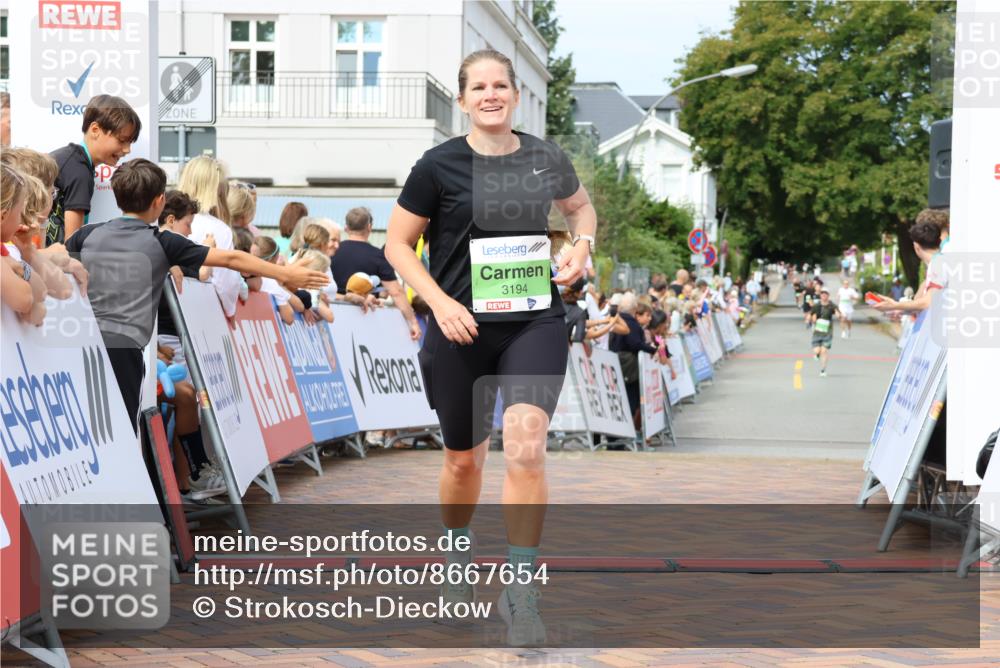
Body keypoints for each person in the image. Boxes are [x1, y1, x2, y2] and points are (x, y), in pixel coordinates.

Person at [383, 49, 596, 646]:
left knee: (526, 449)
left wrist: (582, 245)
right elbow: (397, 246)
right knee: (463, 461)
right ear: (463, 100)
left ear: (516, 95)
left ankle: (521, 591)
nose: (491, 95)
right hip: (460, 327)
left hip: (533, 322)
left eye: (500, 85)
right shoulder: (437, 165)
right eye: (479, 87)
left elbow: (581, 209)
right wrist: (438, 302)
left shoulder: (544, 157)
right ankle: (457, 560)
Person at [65, 159, 329, 433]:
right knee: (122, 427)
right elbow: (232, 259)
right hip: (125, 350)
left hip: (83, 342)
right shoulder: (162, 242)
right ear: (159, 201)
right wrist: (285, 274)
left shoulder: (87, 234)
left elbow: (54, 257)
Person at [47, 94, 141, 245]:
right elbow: (72, 244)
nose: (127, 150)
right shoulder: (80, 172)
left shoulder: (70, 160)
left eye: (130, 142)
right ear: (95, 130)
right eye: (122, 140)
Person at [333, 206, 421, 340]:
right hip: (365, 320)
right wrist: (413, 322)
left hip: (333, 317)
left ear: (346, 228)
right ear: (369, 227)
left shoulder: (332, 251)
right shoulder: (378, 255)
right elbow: (396, 292)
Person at [177, 156, 243, 318]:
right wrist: (230, 310)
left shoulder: (166, 219)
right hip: (202, 315)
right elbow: (227, 283)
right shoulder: (219, 229)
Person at [872, 215, 947, 315]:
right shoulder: (939, 263)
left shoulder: (937, 265)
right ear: (939, 241)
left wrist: (894, 305)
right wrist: (900, 309)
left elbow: (927, 302)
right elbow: (920, 301)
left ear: (916, 246)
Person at [809, 288, 840, 377]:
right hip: (817, 332)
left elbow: (837, 312)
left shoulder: (831, 305)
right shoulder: (817, 306)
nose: (824, 296)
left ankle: (823, 370)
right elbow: (812, 315)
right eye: (822, 294)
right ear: (820, 296)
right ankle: (817, 354)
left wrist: (838, 315)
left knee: (824, 351)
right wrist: (813, 319)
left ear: (828, 296)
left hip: (827, 332)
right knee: (817, 350)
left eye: (825, 294)